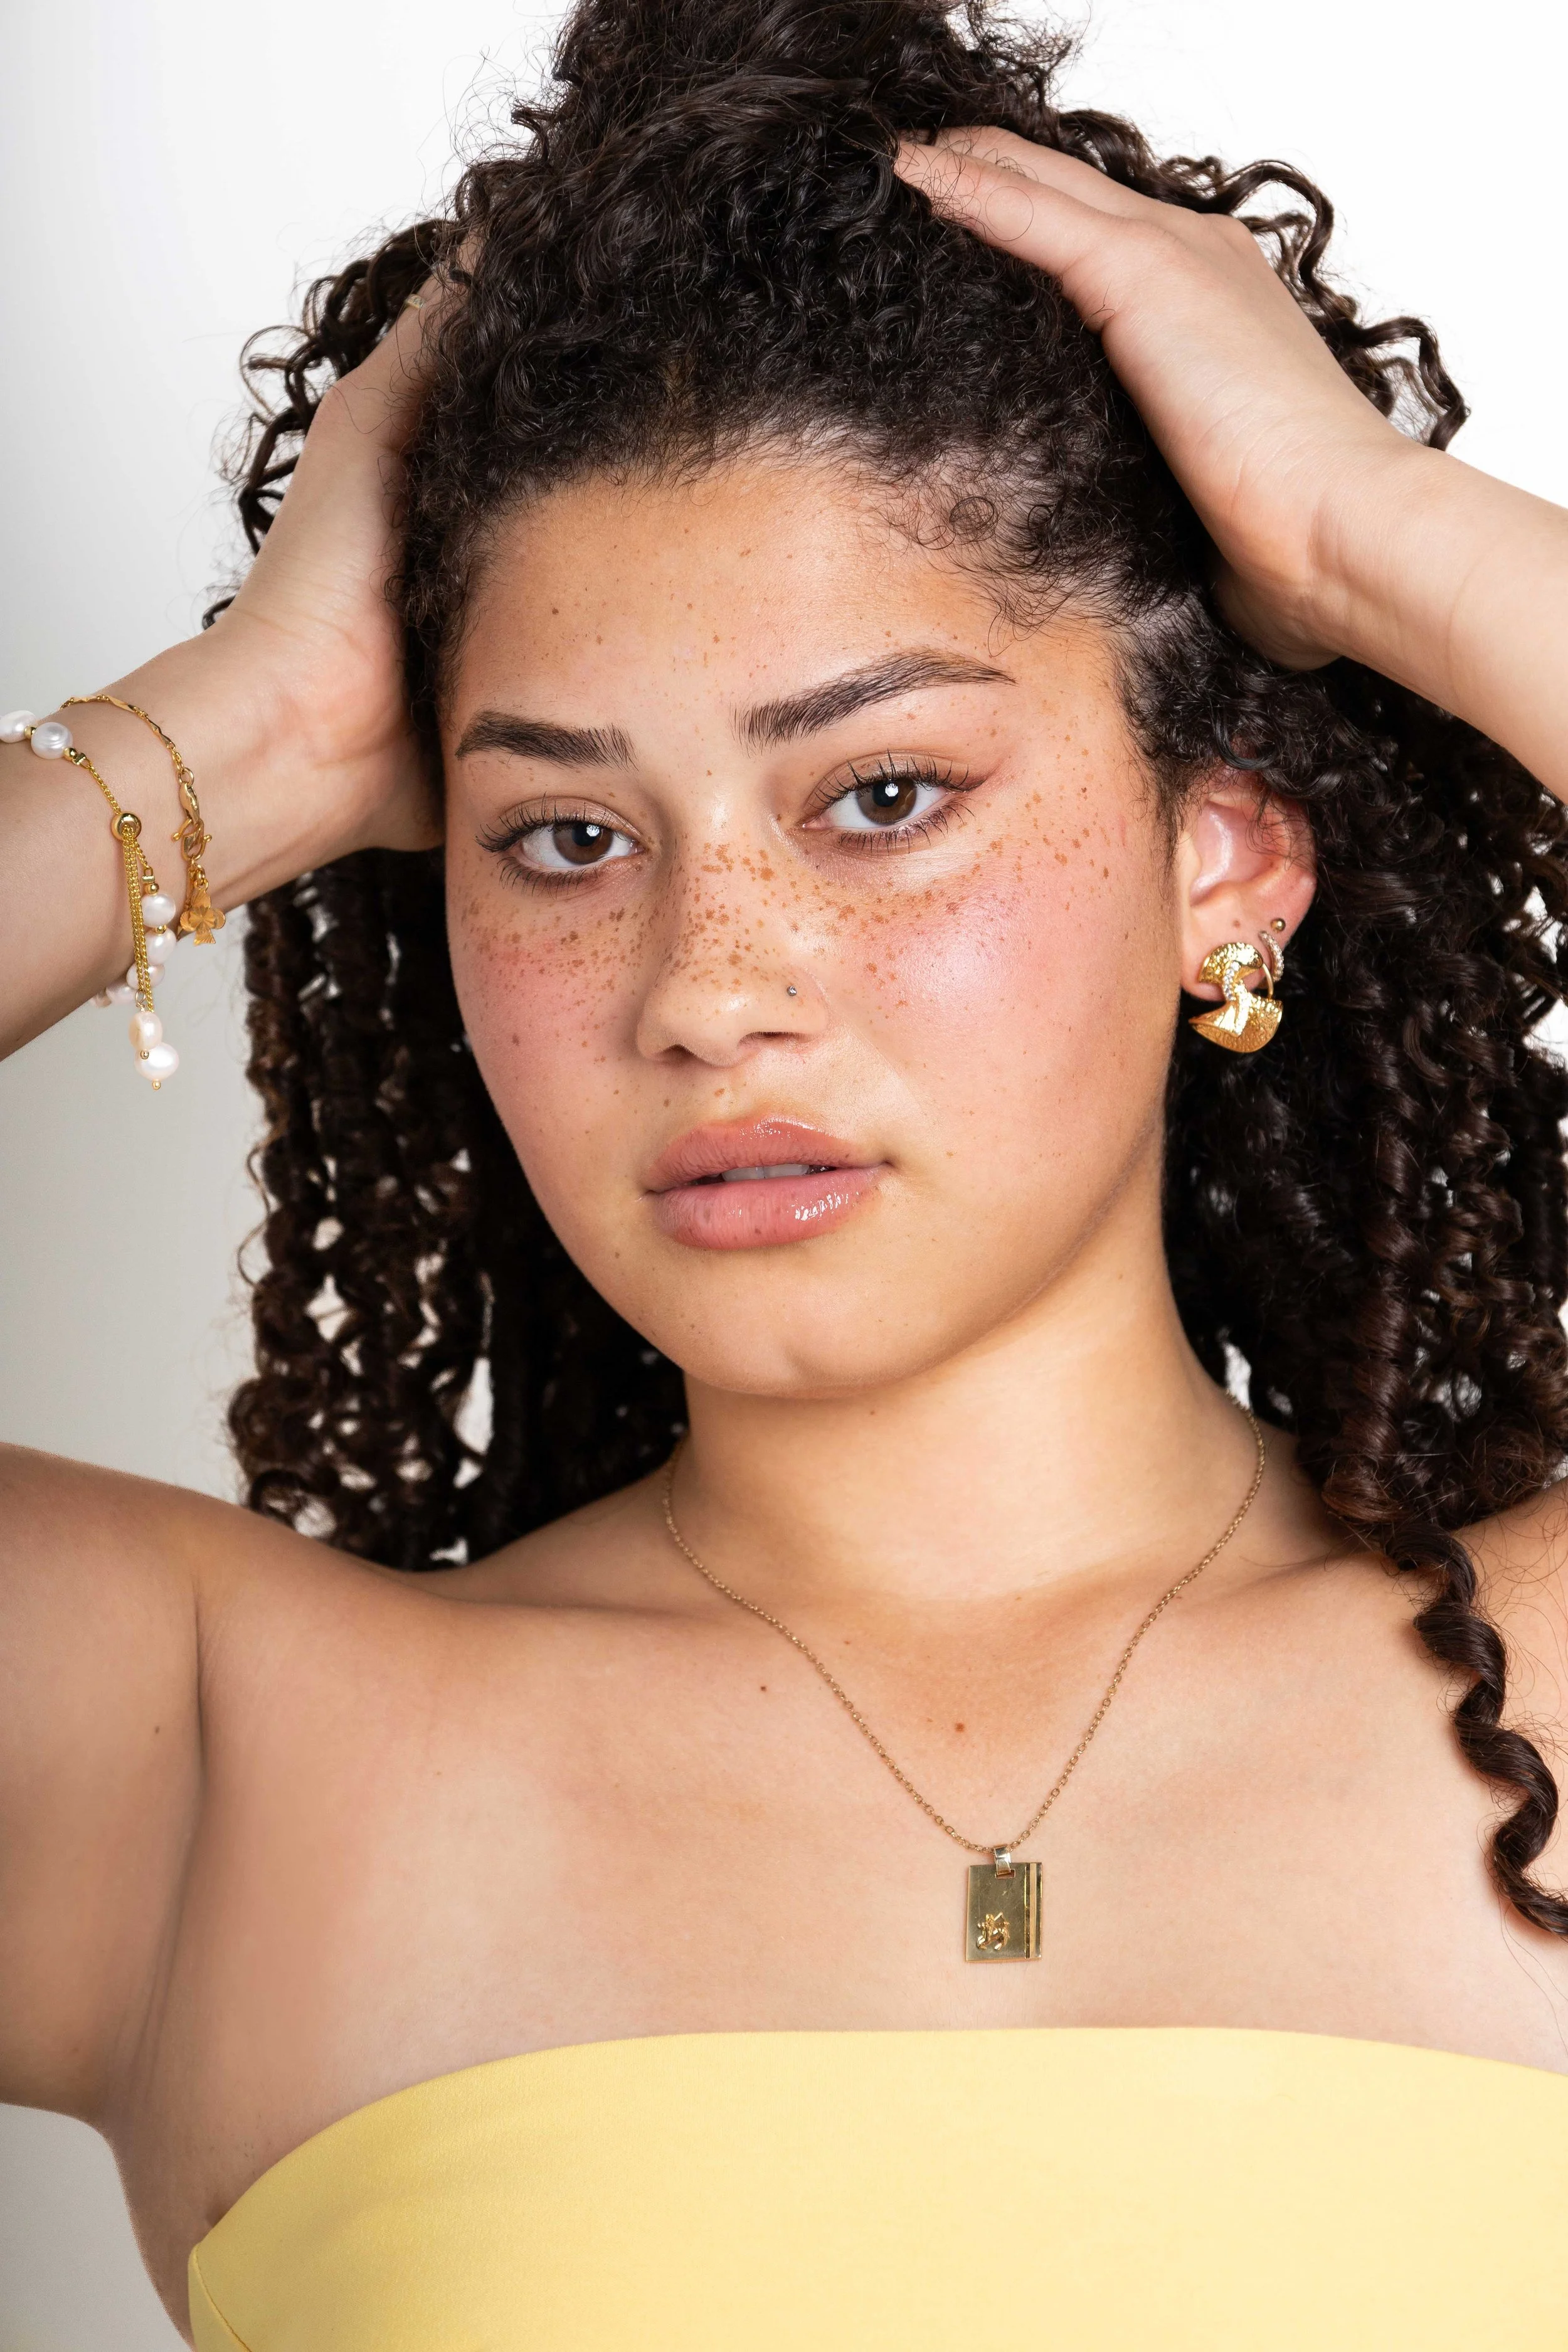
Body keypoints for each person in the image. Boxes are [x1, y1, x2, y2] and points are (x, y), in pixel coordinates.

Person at [4, 0, 1568, 2342]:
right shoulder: (203, 1759)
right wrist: (244, 731)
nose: (701, 987)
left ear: (1223, 861)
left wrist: (1381, 541)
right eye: (562, 833)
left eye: (878, 798)